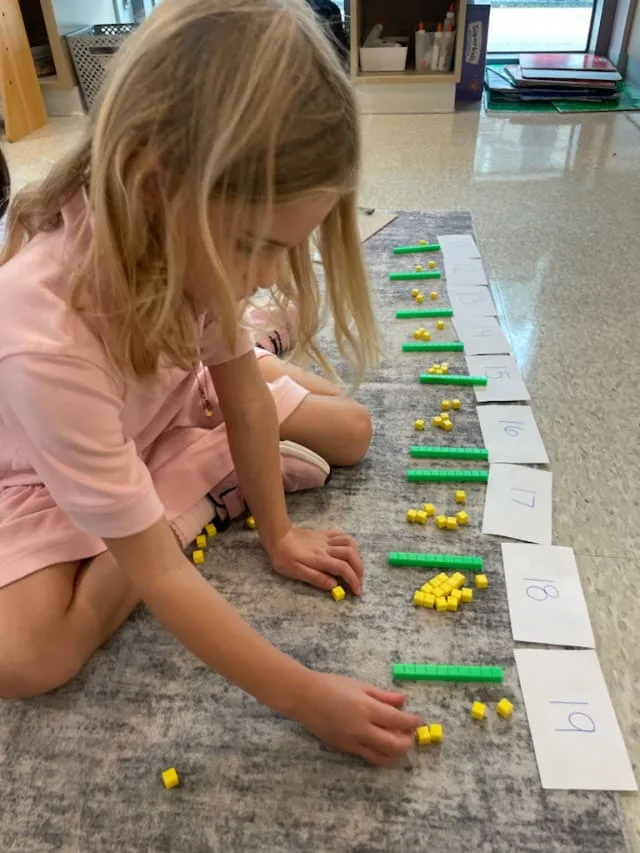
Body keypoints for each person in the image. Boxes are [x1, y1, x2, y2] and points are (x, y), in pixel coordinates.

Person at [0, 0, 421, 766]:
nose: (268, 273)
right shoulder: (43, 336)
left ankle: (236, 382)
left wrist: (279, 533)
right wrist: (305, 696)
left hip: (162, 398)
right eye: (254, 244)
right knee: (30, 656)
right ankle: (190, 483)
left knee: (352, 432)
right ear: (153, 183)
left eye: (286, 247)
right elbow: (160, 574)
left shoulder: (184, 241)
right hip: (41, 468)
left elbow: (243, 395)